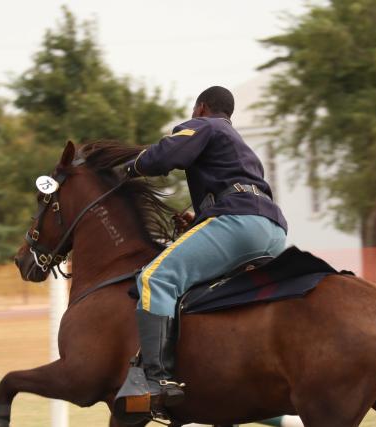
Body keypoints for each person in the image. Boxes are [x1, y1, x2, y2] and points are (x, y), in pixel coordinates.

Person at [123, 86, 288, 409]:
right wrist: (200, 221)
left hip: (239, 224)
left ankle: (157, 379)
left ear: (201, 107)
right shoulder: (241, 146)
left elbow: (165, 156)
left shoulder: (205, 125)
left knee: (154, 279)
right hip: (273, 230)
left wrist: (132, 166)